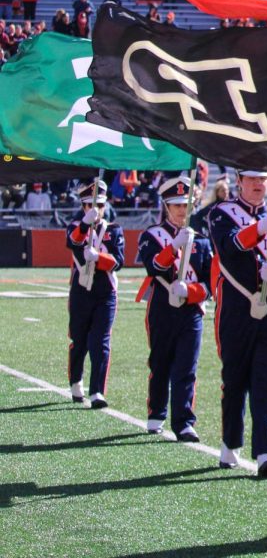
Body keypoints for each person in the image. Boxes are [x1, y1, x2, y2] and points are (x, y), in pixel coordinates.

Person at [207, 169, 267, 477]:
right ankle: (230, 442)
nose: (259, 185)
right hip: (236, 306)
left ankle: (265, 451)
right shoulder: (221, 213)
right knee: (235, 380)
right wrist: (259, 229)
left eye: (263, 180)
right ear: (239, 182)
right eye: (252, 179)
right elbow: (229, 247)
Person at [136, 175, 211, 440]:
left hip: (191, 311)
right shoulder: (152, 235)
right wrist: (174, 246)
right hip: (162, 308)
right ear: (166, 206)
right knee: (161, 363)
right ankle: (157, 411)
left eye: (186, 204)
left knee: (187, 367)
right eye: (176, 204)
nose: (182, 210)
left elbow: (210, 283)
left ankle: (184, 422)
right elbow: (153, 266)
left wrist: (191, 291)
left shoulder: (202, 240)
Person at [65, 180, 124, 408]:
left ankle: (97, 391)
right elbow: (73, 241)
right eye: (90, 205)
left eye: (99, 204)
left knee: (101, 341)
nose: (95, 209)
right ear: (83, 206)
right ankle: (75, 381)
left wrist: (99, 257)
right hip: (81, 291)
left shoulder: (114, 230)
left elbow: (118, 262)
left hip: (105, 291)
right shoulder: (74, 226)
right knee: (79, 340)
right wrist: (83, 226)